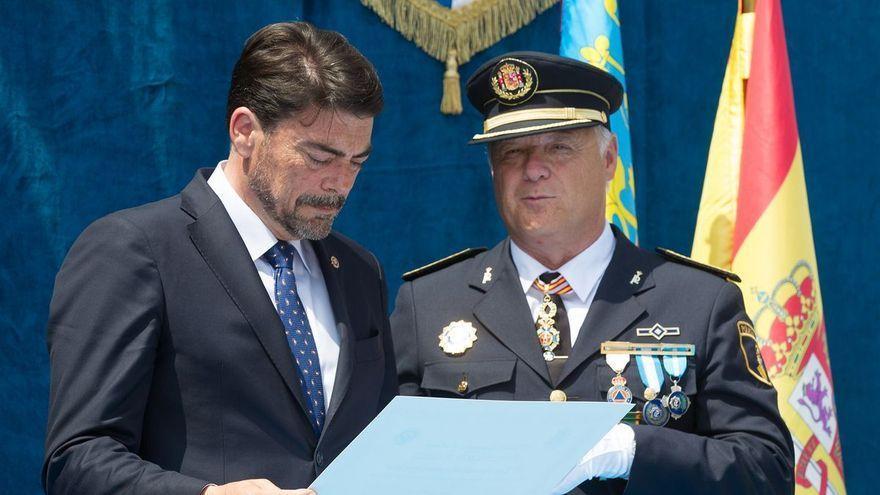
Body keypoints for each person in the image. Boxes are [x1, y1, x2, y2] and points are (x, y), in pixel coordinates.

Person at [390, 52, 794, 494]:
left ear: (608, 160)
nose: (533, 170)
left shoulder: (699, 301)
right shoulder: (428, 304)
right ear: (492, 169)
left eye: (558, 147)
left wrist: (633, 449)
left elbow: (767, 471)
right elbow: (387, 467)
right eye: (512, 152)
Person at [43, 22, 397, 495]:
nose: (340, 183)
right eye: (319, 157)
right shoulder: (135, 249)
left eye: (357, 162)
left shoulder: (359, 271)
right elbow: (76, 459)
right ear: (245, 131)